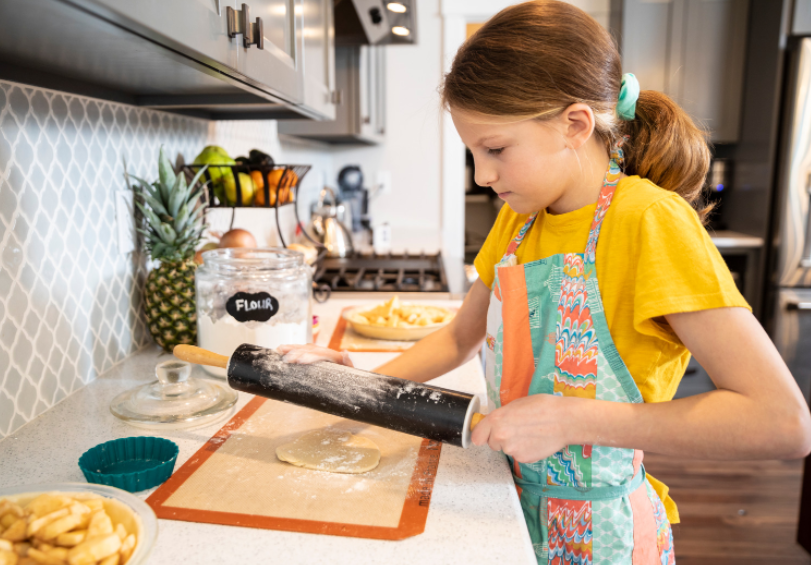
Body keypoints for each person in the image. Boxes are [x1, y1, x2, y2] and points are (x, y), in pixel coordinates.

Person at [278, 1, 811, 562]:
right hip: (504, 505)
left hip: (599, 536)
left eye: (497, 149)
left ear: (575, 125)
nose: (483, 176)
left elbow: (781, 421)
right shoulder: (521, 216)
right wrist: (358, 391)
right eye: (473, 153)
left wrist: (572, 419)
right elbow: (459, 337)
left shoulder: (648, 222)